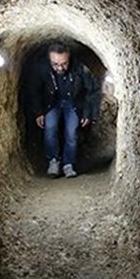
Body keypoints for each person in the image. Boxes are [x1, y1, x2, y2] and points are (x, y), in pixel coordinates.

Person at [29, 43, 100, 178]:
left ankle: (68, 164)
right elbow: (34, 90)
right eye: (55, 64)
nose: (60, 67)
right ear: (49, 60)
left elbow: (93, 90)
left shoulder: (79, 67)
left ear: (69, 58)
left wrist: (87, 113)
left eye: (64, 63)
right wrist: (38, 112)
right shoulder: (41, 68)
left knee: (71, 132)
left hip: (73, 103)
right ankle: (53, 161)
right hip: (51, 103)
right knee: (50, 128)